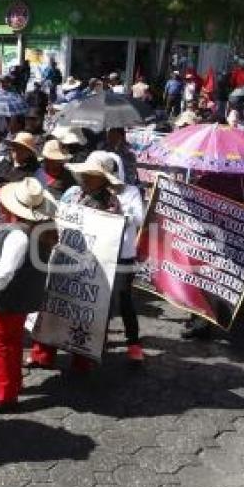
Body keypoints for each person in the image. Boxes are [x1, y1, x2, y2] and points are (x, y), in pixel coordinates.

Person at [28, 151, 124, 372]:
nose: (87, 178)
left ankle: (81, 358)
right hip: (62, 258)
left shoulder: (111, 203)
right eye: (86, 173)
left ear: (104, 179)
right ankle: (42, 354)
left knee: (82, 310)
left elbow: (110, 238)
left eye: (93, 175)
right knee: (52, 305)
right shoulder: (72, 193)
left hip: (89, 267)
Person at [0, 178, 58, 413]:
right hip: (20, 299)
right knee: (11, 343)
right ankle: (11, 382)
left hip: (5, 300)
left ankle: (4, 395)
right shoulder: (35, 231)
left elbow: (5, 272)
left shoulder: (18, 235)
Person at [106, 151, 145, 362]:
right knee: (99, 297)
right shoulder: (95, 190)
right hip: (101, 252)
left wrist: (121, 212)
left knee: (124, 298)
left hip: (123, 253)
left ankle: (133, 342)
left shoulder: (130, 191)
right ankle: (97, 338)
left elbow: (139, 218)